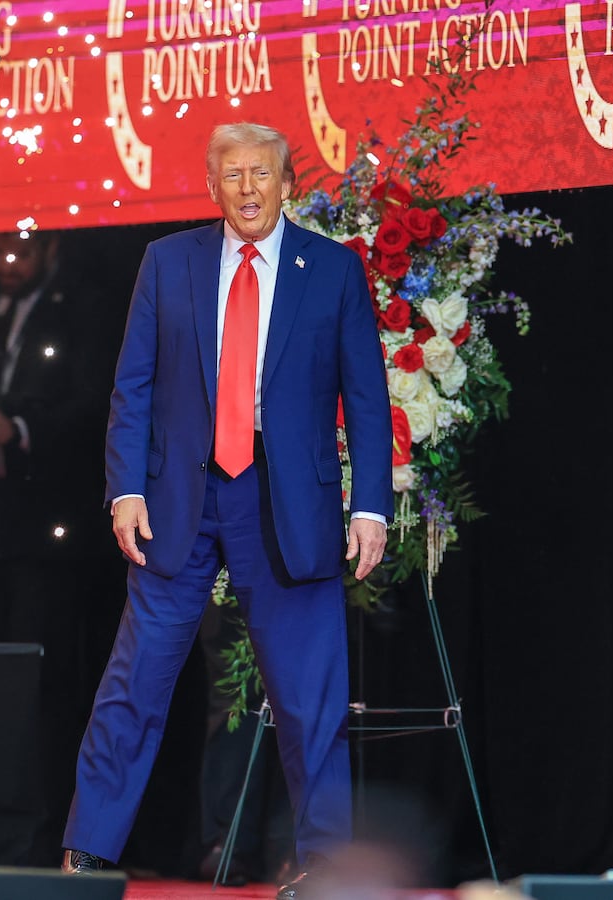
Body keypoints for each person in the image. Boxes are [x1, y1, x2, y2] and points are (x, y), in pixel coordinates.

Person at [61, 122, 393, 900]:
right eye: (232, 175)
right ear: (212, 187)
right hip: (179, 499)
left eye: (262, 174)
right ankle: (86, 857)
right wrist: (126, 489)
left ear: (287, 185)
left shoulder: (334, 271)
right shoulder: (167, 262)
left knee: (310, 700)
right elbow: (132, 386)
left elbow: (368, 401)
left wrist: (370, 505)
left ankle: (325, 870)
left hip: (289, 505)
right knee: (133, 685)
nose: (247, 189)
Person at [0, 229, 123, 862]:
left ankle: (42, 838)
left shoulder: (81, 307)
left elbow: (96, 402)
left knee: (45, 684)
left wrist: (17, 425)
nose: (8, 265)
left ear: (53, 251)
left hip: (48, 526)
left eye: (22, 253)